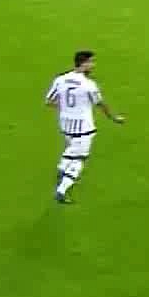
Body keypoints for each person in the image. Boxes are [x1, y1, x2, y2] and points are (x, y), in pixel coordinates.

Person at [46, 50, 125, 203]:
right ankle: (62, 189)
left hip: (65, 124)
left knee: (71, 149)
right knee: (79, 159)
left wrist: (66, 109)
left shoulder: (60, 79)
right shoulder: (88, 85)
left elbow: (49, 101)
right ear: (84, 63)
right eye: (91, 62)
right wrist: (114, 118)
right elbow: (100, 104)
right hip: (83, 128)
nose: (93, 65)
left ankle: (62, 167)